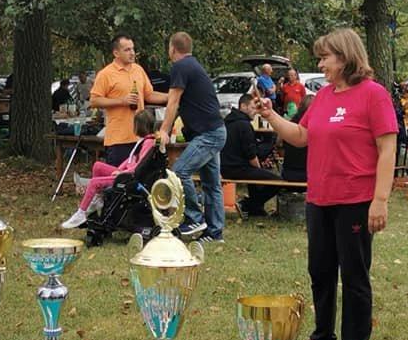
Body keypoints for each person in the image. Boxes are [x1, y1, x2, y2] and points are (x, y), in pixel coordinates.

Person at [255, 28, 397, 340]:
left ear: (346, 57)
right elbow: (302, 135)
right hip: (319, 198)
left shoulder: (373, 95)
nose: (320, 64)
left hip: (356, 198)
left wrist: (381, 199)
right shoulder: (323, 97)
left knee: (353, 272)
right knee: (320, 270)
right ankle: (322, 337)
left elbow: (388, 147)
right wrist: (271, 116)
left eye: (325, 58)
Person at [157, 31, 227, 242]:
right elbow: (174, 99)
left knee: (178, 173)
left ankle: (195, 218)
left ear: (172, 48)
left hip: (208, 134)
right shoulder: (193, 66)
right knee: (211, 184)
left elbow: (173, 102)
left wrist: (164, 130)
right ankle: (215, 233)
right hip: (216, 131)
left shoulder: (180, 67)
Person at [61, 110, 156, 229]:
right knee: (98, 166)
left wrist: (122, 173)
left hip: (130, 178)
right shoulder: (142, 141)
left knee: (94, 182)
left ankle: (81, 212)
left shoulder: (148, 143)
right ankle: (98, 198)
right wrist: (120, 169)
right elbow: (130, 159)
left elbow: (140, 165)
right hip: (126, 173)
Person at [90, 34, 168, 166]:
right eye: (127, 50)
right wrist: (122, 101)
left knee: (141, 179)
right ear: (116, 53)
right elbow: (94, 101)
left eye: (132, 49)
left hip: (141, 136)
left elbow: (148, 95)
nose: (132, 53)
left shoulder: (138, 69)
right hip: (118, 139)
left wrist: (170, 96)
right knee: (119, 180)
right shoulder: (106, 74)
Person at [220, 94, 281, 216]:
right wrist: (258, 168)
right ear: (243, 106)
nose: (255, 112)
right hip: (237, 168)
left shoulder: (227, 122)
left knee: (256, 177)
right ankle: (249, 204)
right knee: (277, 181)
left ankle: (255, 209)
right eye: (253, 108)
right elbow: (250, 154)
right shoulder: (244, 125)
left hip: (225, 166)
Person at [281, 95, 311, 183]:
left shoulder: (290, 124)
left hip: (288, 173)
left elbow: (281, 145)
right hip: (309, 175)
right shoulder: (317, 128)